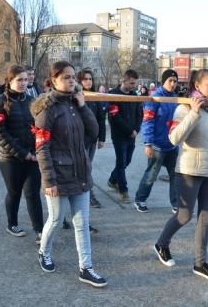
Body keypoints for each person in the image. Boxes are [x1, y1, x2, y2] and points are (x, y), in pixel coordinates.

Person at [31, 61, 107, 288]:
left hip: (81, 172)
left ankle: (86, 267)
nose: (71, 80)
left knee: (82, 223)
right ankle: (44, 252)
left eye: (73, 76)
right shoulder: (47, 109)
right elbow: (41, 148)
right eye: (66, 77)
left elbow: (93, 132)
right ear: (53, 80)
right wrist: (49, 180)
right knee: (55, 220)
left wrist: (83, 106)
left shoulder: (76, 104)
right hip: (59, 176)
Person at [153, 69, 208, 282]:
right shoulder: (183, 108)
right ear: (197, 86)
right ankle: (162, 243)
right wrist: (193, 113)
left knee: (206, 218)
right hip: (189, 171)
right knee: (184, 215)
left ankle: (200, 263)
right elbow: (173, 138)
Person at [0, 65, 44, 244]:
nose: (23, 83)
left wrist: (37, 150)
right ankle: (11, 224)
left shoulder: (32, 100)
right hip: (9, 159)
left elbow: (38, 127)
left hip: (32, 156)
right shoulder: (0, 101)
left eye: (25, 79)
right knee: (14, 193)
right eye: (19, 80)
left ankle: (39, 231)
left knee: (33, 193)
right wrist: (22, 154)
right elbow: (0, 134)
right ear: (10, 81)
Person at [134, 69, 179, 213]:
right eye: (170, 81)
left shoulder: (176, 98)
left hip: (172, 146)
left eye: (175, 81)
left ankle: (176, 203)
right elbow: (147, 121)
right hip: (157, 146)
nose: (173, 84)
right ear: (163, 81)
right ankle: (140, 199)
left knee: (176, 176)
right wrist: (147, 143)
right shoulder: (155, 98)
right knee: (151, 175)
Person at [107, 69, 143, 202]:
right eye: (132, 83)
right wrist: (129, 131)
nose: (134, 86)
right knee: (121, 162)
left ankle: (112, 180)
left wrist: (136, 130)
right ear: (124, 80)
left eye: (135, 84)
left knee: (127, 160)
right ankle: (123, 190)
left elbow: (140, 113)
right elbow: (114, 117)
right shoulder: (112, 95)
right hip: (119, 136)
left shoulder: (135, 95)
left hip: (132, 135)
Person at [77, 68, 106, 208]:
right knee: (84, 168)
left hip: (92, 139)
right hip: (80, 139)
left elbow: (101, 118)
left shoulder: (96, 96)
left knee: (87, 167)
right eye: (85, 79)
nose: (88, 81)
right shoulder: (77, 95)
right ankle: (89, 195)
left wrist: (102, 138)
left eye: (90, 79)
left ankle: (86, 192)